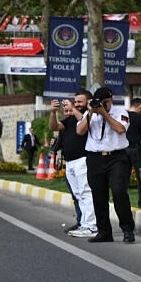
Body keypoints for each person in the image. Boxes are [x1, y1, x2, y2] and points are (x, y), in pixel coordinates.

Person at [76, 87, 135, 243]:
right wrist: (90, 112)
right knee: (98, 196)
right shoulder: (91, 114)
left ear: (111, 99)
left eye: (106, 102)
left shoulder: (120, 112)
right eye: (101, 102)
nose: (104, 105)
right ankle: (104, 231)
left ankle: (128, 229)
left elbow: (121, 129)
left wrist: (104, 114)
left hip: (116, 158)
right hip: (95, 159)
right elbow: (80, 131)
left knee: (119, 192)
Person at [50, 94, 98, 238]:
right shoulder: (71, 118)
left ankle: (92, 226)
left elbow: (83, 124)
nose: (76, 104)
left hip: (83, 159)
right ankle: (84, 224)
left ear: (87, 102)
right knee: (78, 195)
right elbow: (54, 126)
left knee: (85, 193)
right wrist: (53, 112)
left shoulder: (89, 115)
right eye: (74, 102)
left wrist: (73, 109)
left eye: (79, 102)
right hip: (70, 161)